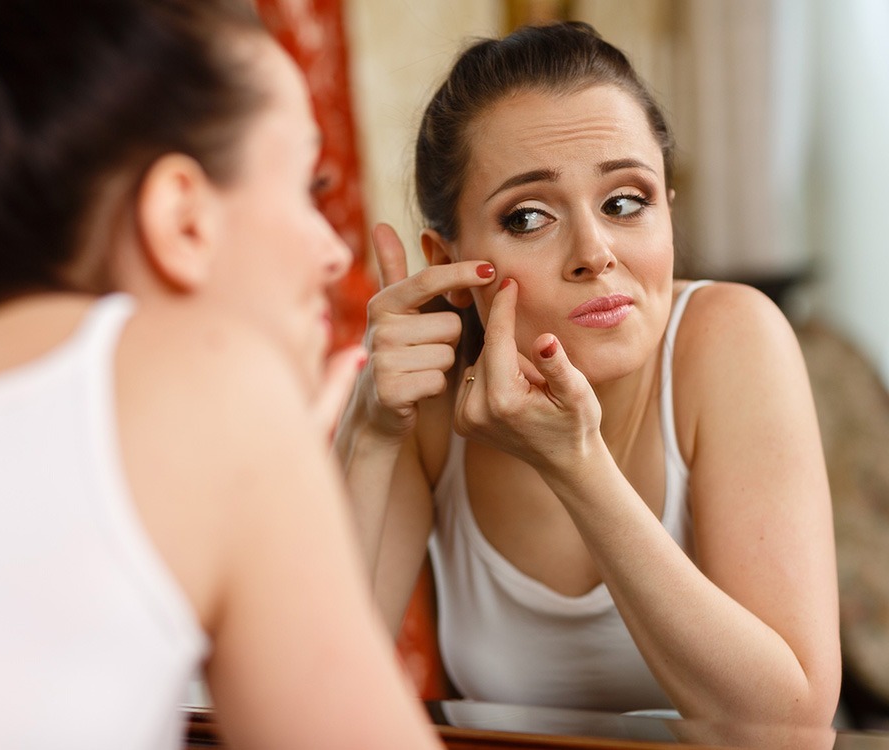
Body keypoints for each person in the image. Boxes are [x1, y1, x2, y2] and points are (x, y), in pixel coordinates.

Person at [0, 1, 443, 748]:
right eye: (309, 188)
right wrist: (261, 466)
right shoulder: (213, 391)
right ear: (182, 219)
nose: (333, 253)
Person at [336, 21, 841, 725]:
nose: (594, 252)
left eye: (625, 202)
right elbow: (304, 700)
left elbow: (787, 728)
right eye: (529, 216)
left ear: (667, 208)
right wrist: (371, 428)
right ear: (449, 262)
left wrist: (577, 465)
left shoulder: (729, 338)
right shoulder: (426, 400)